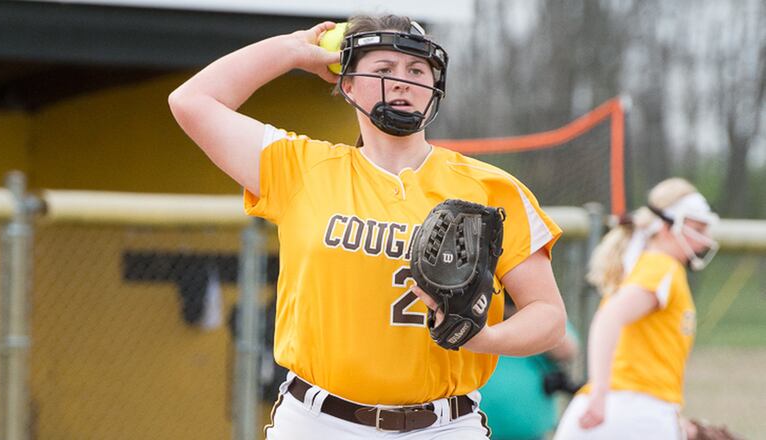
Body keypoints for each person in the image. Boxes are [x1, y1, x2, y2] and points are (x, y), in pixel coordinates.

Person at [169, 14, 566, 439]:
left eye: (416, 70)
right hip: (316, 421)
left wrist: (484, 338)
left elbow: (549, 316)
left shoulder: (490, 188)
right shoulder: (302, 168)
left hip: (442, 425)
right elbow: (192, 101)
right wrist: (292, 50)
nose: (402, 82)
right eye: (383, 70)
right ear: (347, 83)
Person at [553, 178, 720, 439]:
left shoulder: (649, 265)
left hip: (625, 409)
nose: (705, 238)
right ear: (667, 227)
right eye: (697, 227)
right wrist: (600, 392)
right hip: (631, 410)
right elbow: (608, 318)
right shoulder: (662, 266)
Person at [479, 296, 579, 440]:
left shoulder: (536, 307)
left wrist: (520, 312)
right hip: (472, 431)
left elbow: (568, 350)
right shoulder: (473, 308)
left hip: (532, 433)